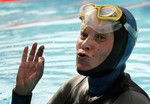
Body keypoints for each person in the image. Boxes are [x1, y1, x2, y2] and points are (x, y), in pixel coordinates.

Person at [11, 3, 150, 104]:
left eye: (100, 37)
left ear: (120, 48)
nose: (85, 44)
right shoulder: (74, 85)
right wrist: (22, 94)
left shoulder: (131, 100)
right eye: (83, 35)